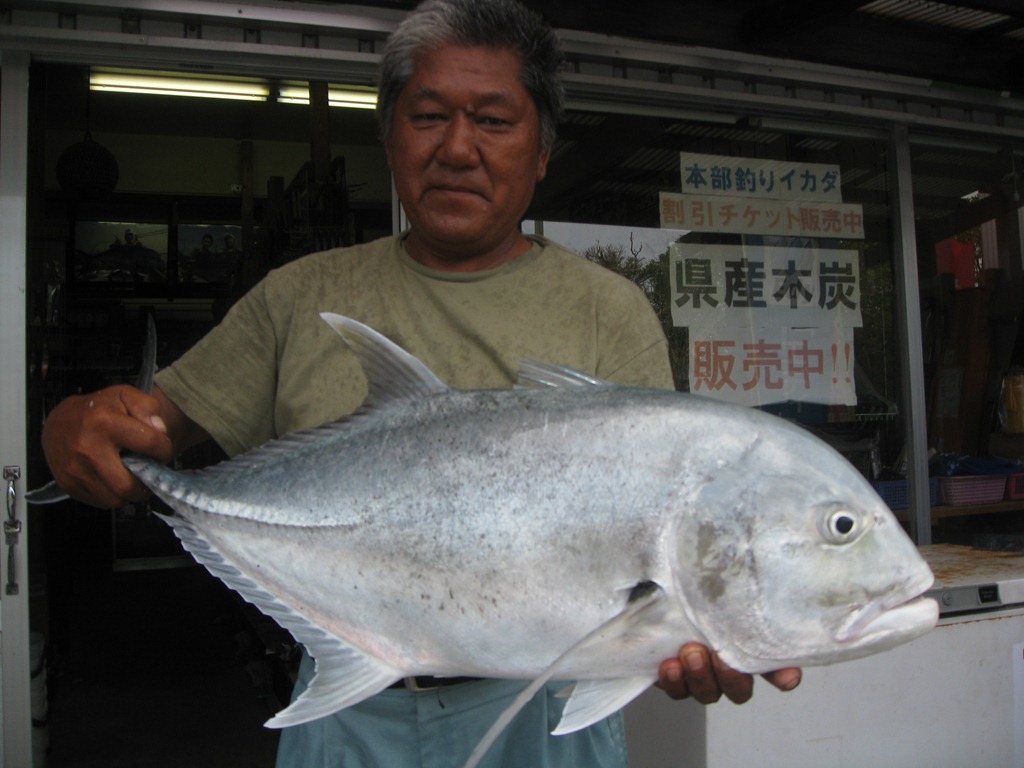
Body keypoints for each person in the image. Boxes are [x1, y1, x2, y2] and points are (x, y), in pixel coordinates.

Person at [39, 0, 800, 765]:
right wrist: (78, 423)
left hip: (543, 712)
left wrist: (693, 630)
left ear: (542, 152)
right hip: (349, 707)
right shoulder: (300, 295)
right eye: (429, 115)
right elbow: (149, 428)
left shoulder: (609, 311)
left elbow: (655, 542)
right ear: (390, 138)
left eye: (495, 121)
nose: (458, 148)